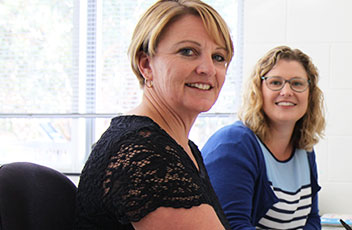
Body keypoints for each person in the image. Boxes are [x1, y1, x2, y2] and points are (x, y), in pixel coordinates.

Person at [75, 0, 234, 229]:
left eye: (218, 57)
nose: (207, 69)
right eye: (188, 51)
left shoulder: (180, 148)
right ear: (146, 64)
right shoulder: (145, 156)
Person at [202, 46, 326, 230]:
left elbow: (312, 219)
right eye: (275, 82)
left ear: (310, 94)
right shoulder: (233, 145)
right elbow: (231, 226)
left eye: (297, 83)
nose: (286, 91)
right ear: (258, 90)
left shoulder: (304, 147)